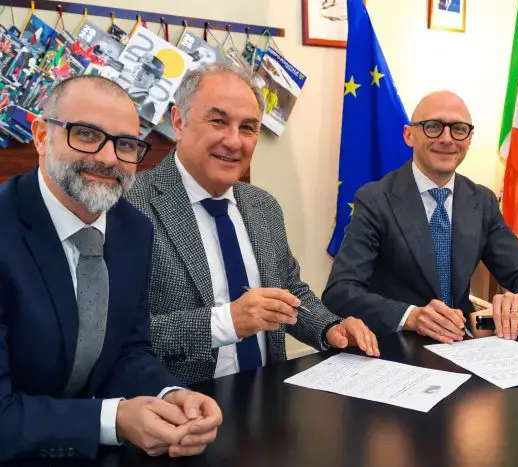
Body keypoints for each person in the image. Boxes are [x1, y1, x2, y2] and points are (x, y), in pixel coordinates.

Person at [0, 75, 222, 461]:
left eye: (125, 144)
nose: (107, 159)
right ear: (41, 136)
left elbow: (129, 351)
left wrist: (170, 395)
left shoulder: (133, 229)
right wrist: (113, 420)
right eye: (86, 135)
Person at [126, 63, 379, 386]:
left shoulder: (263, 206)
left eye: (247, 127)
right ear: (179, 121)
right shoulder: (130, 207)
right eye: (218, 122)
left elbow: (289, 291)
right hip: (178, 406)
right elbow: (120, 336)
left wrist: (330, 328)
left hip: (268, 397)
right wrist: (225, 322)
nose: (234, 142)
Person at [322, 91, 518, 343]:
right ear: (409, 135)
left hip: (463, 346)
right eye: (433, 127)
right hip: (398, 346)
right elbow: (340, 291)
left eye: (458, 129)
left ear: (469, 139)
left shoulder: (482, 200)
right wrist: (411, 316)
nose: (447, 139)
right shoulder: (375, 199)